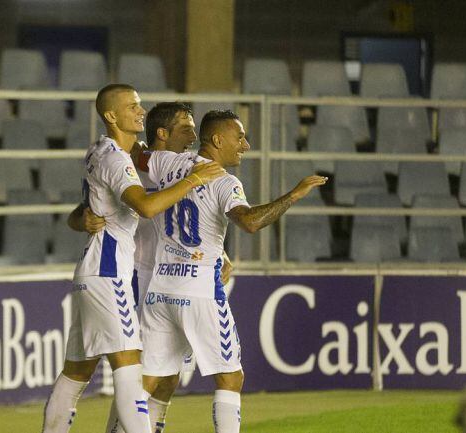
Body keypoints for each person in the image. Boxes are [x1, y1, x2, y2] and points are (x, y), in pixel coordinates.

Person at [42, 84, 226, 433]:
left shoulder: (101, 150)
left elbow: (82, 211)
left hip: (93, 272)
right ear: (111, 115)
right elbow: (145, 206)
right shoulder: (116, 159)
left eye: (140, 106)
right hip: (111, 273)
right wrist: (196, 179)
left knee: (76, 372)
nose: (140, 111)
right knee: (129, 369)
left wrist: (82, 219)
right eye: (132, 107)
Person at [136, 109, 326, 433]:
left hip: (161, 288)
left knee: (150, 381)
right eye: (239, 137)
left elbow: (137, 156)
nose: (246, 145)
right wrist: (294, 195)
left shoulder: (169, 163)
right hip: (200, 291)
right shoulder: (225, 181)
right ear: (217, 139)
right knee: (230, 377)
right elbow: (249, 221)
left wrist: (137, 142)